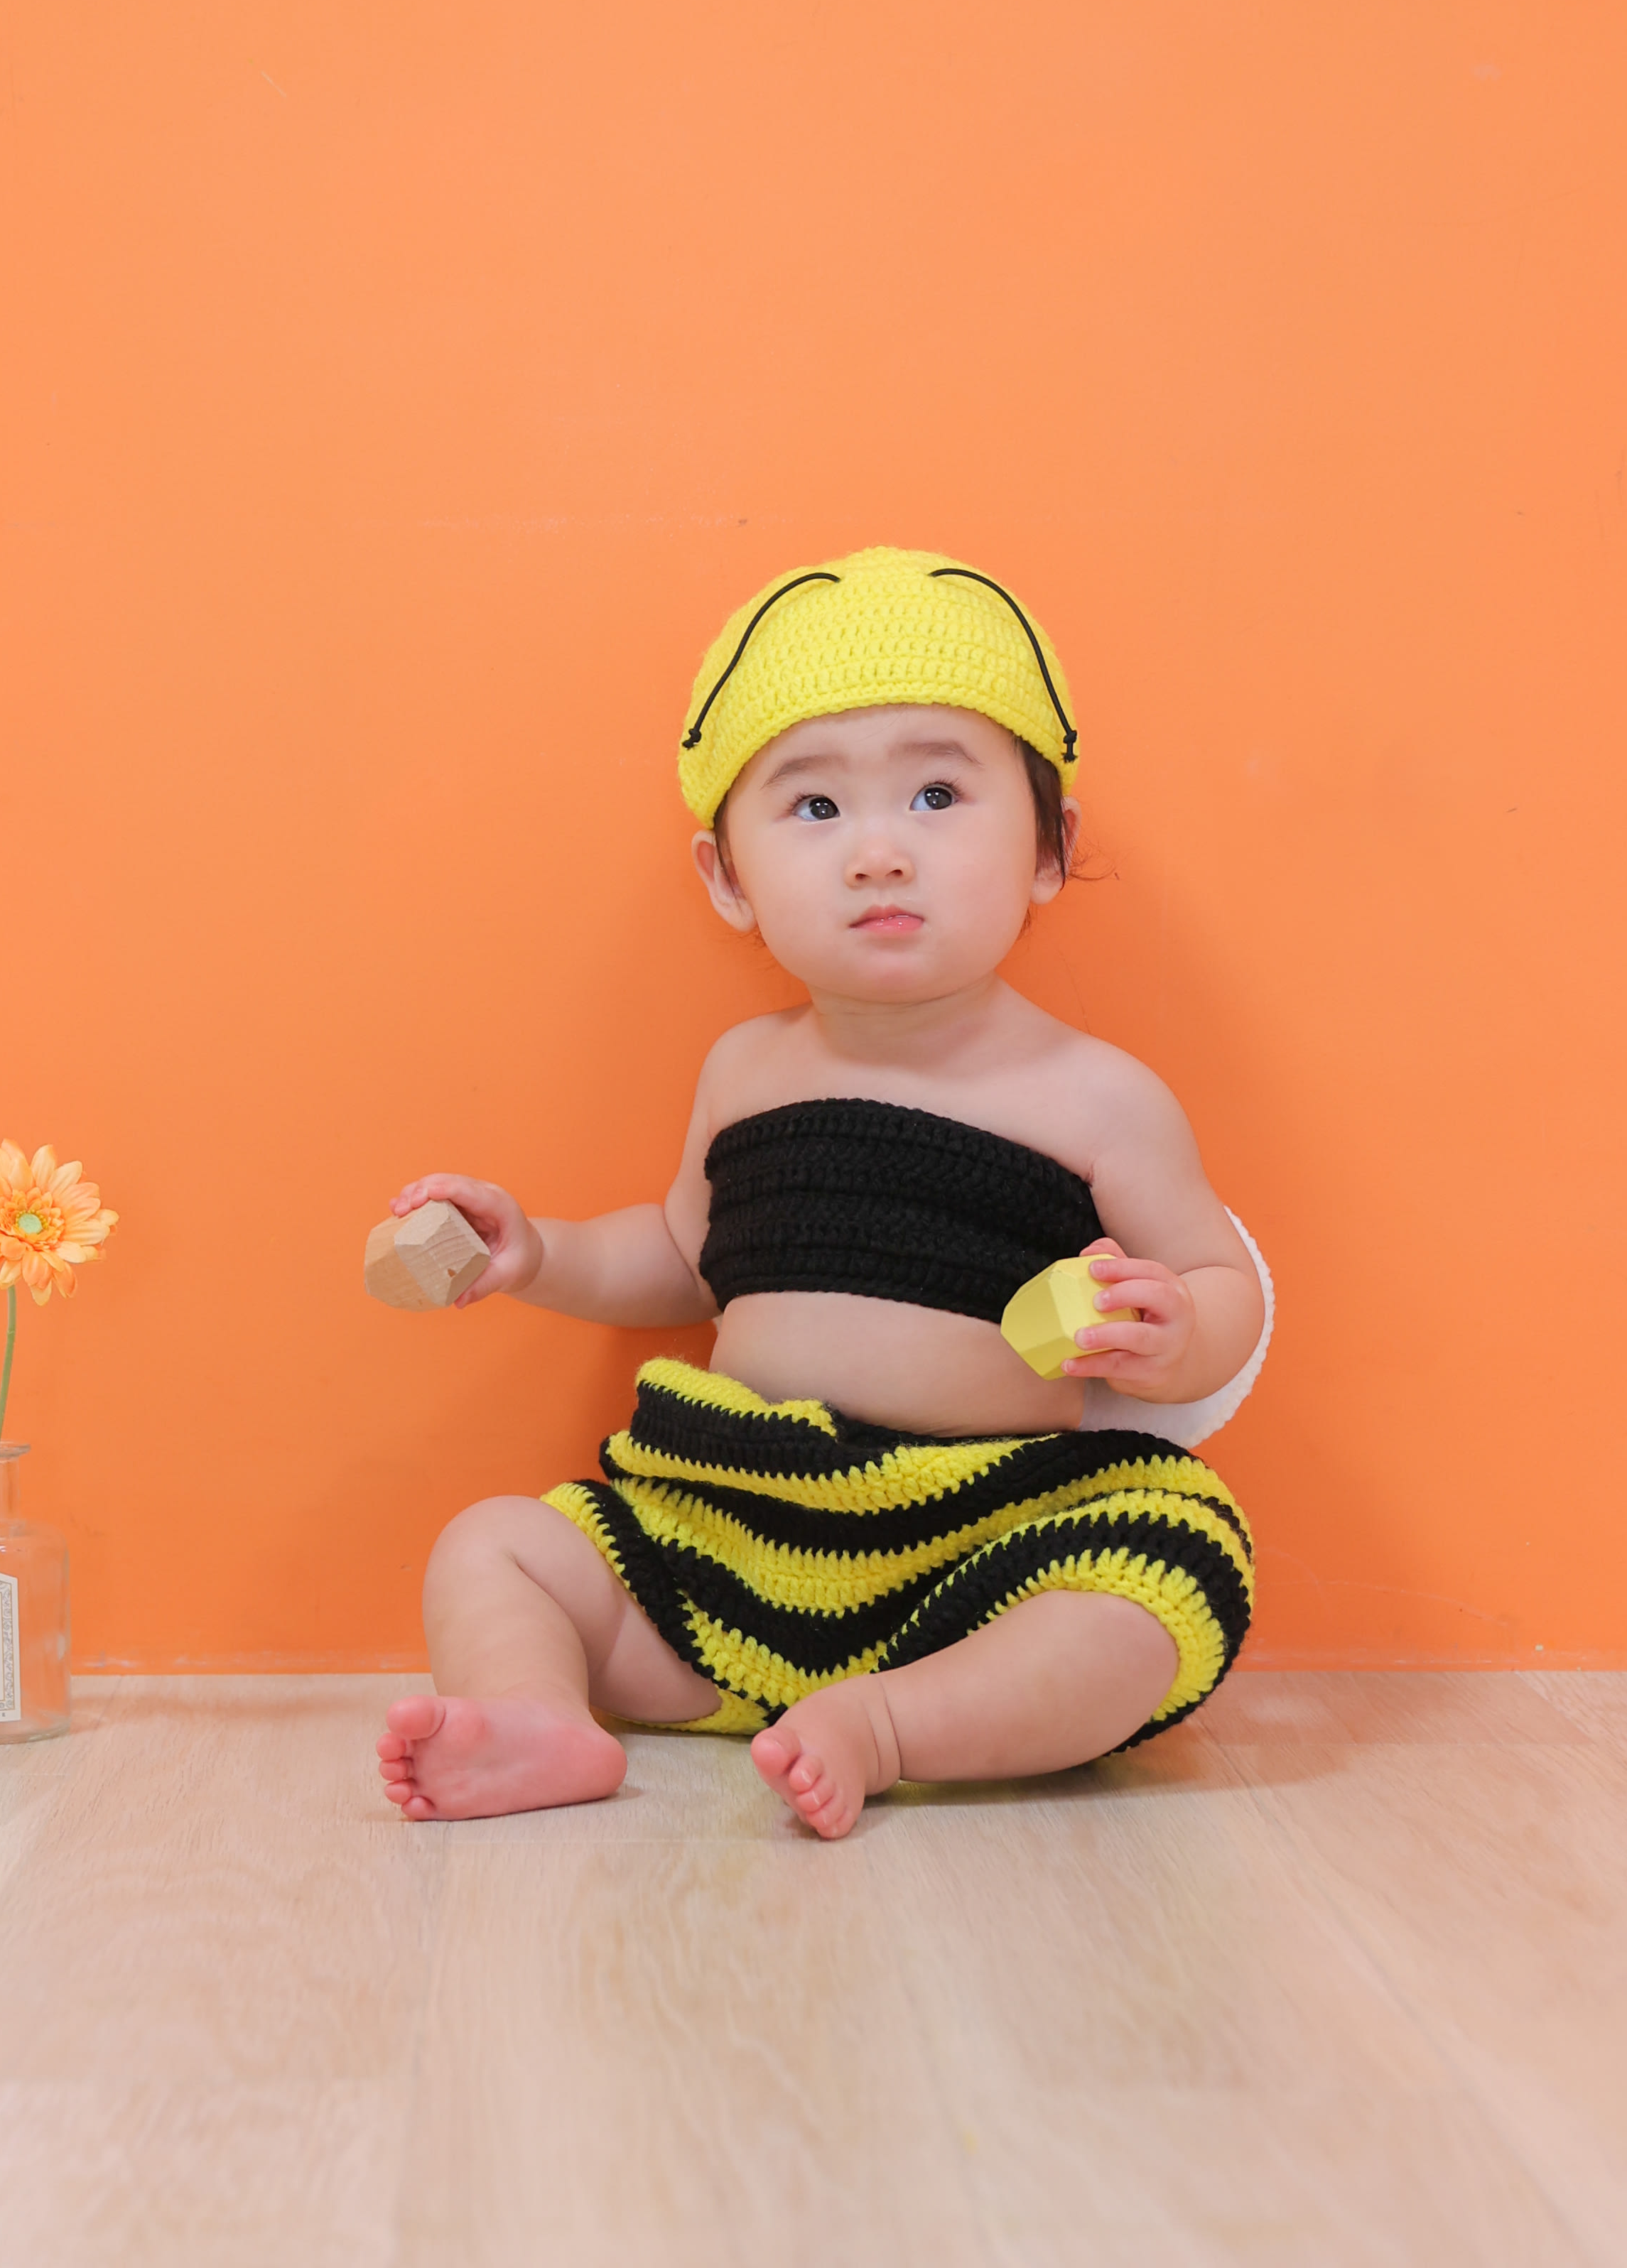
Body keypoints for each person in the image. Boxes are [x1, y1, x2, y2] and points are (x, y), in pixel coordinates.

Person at [376, 545, 1263, 1838]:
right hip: (722, 1531)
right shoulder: (745, 1071)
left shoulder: (1096, 1097)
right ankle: (535, 1718)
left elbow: (1220, 1280)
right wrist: (540, 1254)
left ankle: (891, 1723)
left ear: (1050, 848)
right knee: (495, 1542)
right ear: (727, 878)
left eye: (937, 794)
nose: (878, 855)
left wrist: (1176, 1332)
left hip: (980, 1545)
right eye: (814, 808)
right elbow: (685, 1257)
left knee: (1175, 1571)